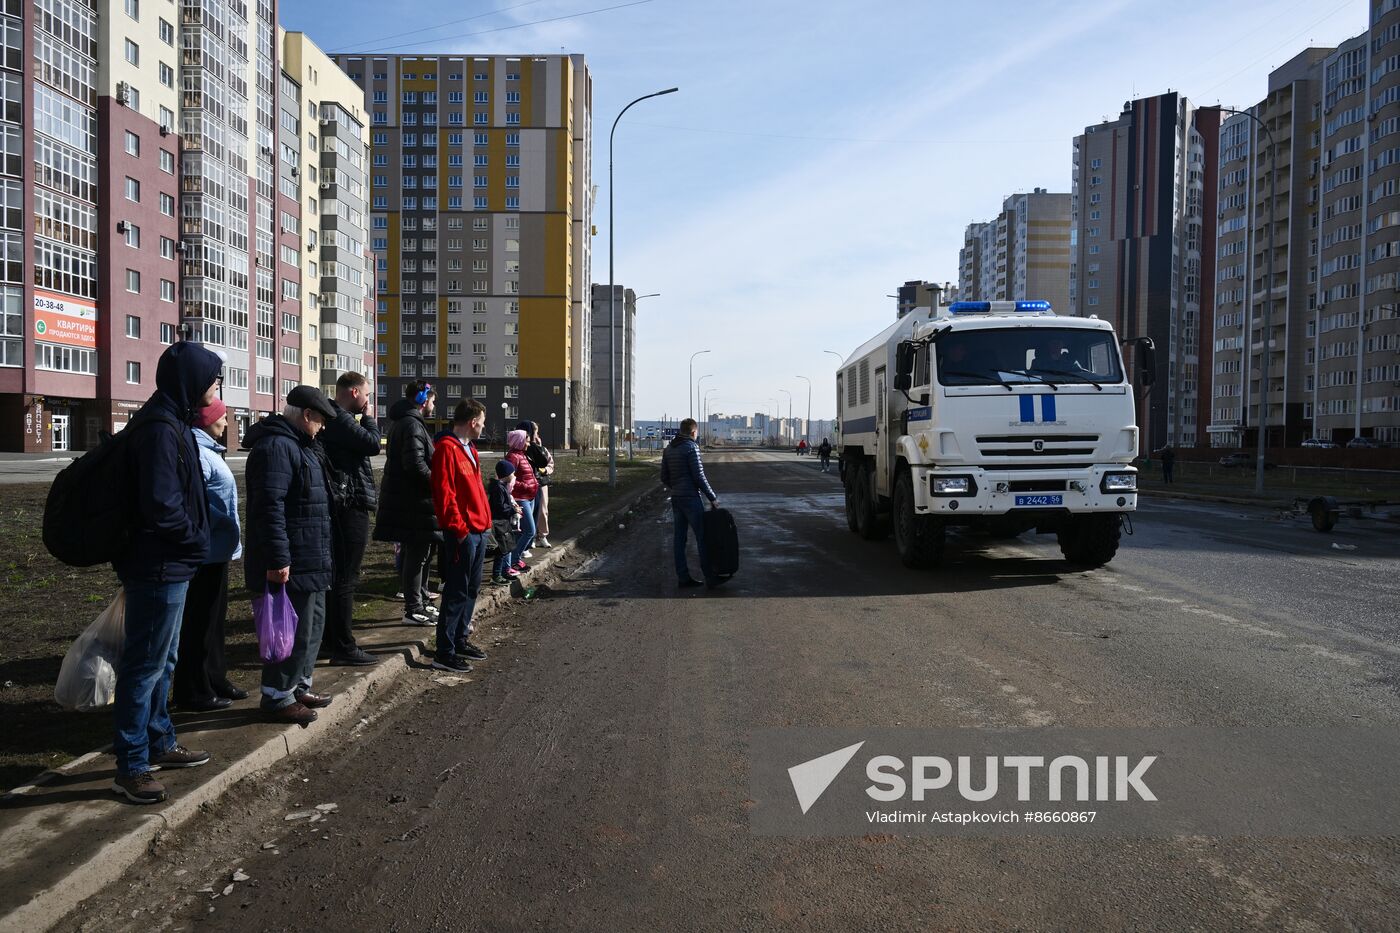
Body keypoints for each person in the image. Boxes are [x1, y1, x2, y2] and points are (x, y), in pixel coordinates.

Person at [110, 341, 223, 804]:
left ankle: (159, 740)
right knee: (144, 666)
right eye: (212, 379)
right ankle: (132, 765)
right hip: (159, 564)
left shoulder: (171, 420)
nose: (216, 387)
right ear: (192, 380)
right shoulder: (159, 428)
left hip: (173, 561)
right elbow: (161, 505)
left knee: (164, 661)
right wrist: (196, 539)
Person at [244, 386, 338, 726]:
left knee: (311, 626)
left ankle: (298, 684)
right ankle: (276, 695)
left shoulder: (299, 445)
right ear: (307, 415)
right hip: (292, 559)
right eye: (321, 420)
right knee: (289, 630)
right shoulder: (277, 448)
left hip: (310, 554)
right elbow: (270, 507)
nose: (323, 427)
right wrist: (278, 558)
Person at [173, 396, 245, 712]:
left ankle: (215, 678)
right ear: (207, 420)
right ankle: (194, 690)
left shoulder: (209, 450)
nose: (227, 423)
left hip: (217, 552)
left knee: (214, 622)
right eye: (222, 417)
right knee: (198, 623)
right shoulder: (199, 453)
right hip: (203, 552)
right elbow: (194, 502)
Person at [319, 372, 382, 666]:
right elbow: (372, 444)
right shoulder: (340, 418)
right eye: (367, 395)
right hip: (349, 505)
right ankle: (343, 645)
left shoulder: (336, 419)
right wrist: (368, 417)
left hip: (345, 503)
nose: (368, 401)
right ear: (354, 392)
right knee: (346, 577)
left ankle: (330, 640)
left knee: (339, 576)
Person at [429, 399, 492, 672]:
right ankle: (444, 651)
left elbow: (475, 489)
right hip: (463, 534)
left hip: (479, 530)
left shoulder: (470, 449)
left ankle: (460, 639)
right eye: (483, 422)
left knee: (470, 590)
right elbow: (445, 494)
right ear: (473, 421)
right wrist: (460, 530)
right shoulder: (446, 449)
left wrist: (484, 525)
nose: (483, 427)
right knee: (455, 591)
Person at [374, 381, 441, 626]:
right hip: (414, 501)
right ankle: (413, 608)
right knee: (417, 554)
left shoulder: (409, 422)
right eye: (433, 401)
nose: (434, 405)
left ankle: (421, 600)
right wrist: (439, 482)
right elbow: (415, 464)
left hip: (414, 500)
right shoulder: (412, 424)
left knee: (423, 552)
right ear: (423, 401)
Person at [660, 418, 722, 589]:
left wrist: (677, 488)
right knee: (702, 537)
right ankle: (710, 577)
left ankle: (683, 578)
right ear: (694, 432)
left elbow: (663, 477)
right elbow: (699, 476)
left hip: (676, 499)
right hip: (691, 500)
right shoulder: (691, 448)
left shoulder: (669, 449)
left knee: (679, 539)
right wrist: (712, 497)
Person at [504, 429, 539, 574]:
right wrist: (526, 486)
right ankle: (514, 559)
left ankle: (513, 561)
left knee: (521, 532)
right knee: (530, 531)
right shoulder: (513, 457)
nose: (529, 443)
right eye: (527, 440)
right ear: (519, 441)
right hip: (520, 499)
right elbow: (508, 479)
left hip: (529, 498)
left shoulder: (522, 455)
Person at [487, 460, 522, 585]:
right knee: (502, 550)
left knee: (506, 548)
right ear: (506, 474)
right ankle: (497, 575)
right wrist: (513, 510)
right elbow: (501, 507)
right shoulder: (498, 489)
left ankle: (503, 572)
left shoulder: (500, 487)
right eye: (512, 472)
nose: (514, 475)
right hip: (499, 523)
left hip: (502, 522)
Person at [520, 420, 555, 548]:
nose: (536, 435)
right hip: (529, 484)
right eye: (534, 432)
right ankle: (532, 536)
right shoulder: (524, 447)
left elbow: (549, 463)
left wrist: (546, 470)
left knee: (543, 510)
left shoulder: (541, 448)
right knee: (531, 511)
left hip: (541, 482)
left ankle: (543, 535)